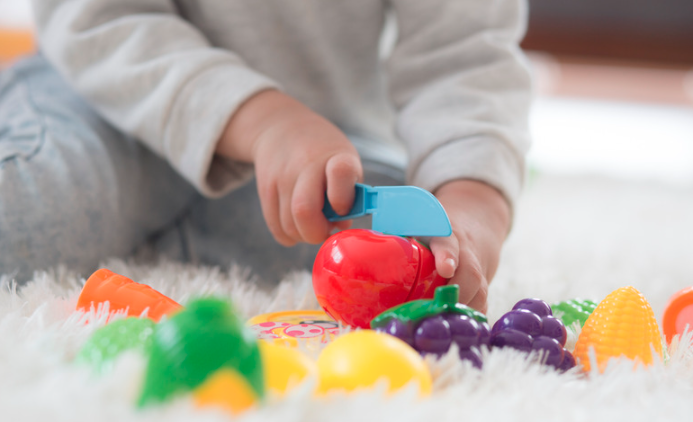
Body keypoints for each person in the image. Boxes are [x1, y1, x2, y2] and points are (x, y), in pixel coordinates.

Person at [0, 0, 531, 313]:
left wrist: (470, 207)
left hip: (325, 151)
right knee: (32, 219)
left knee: (391, 260)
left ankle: (147, 230)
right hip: (114, 102)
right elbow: (100, 17)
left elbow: (464, 60)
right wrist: (264, 119)